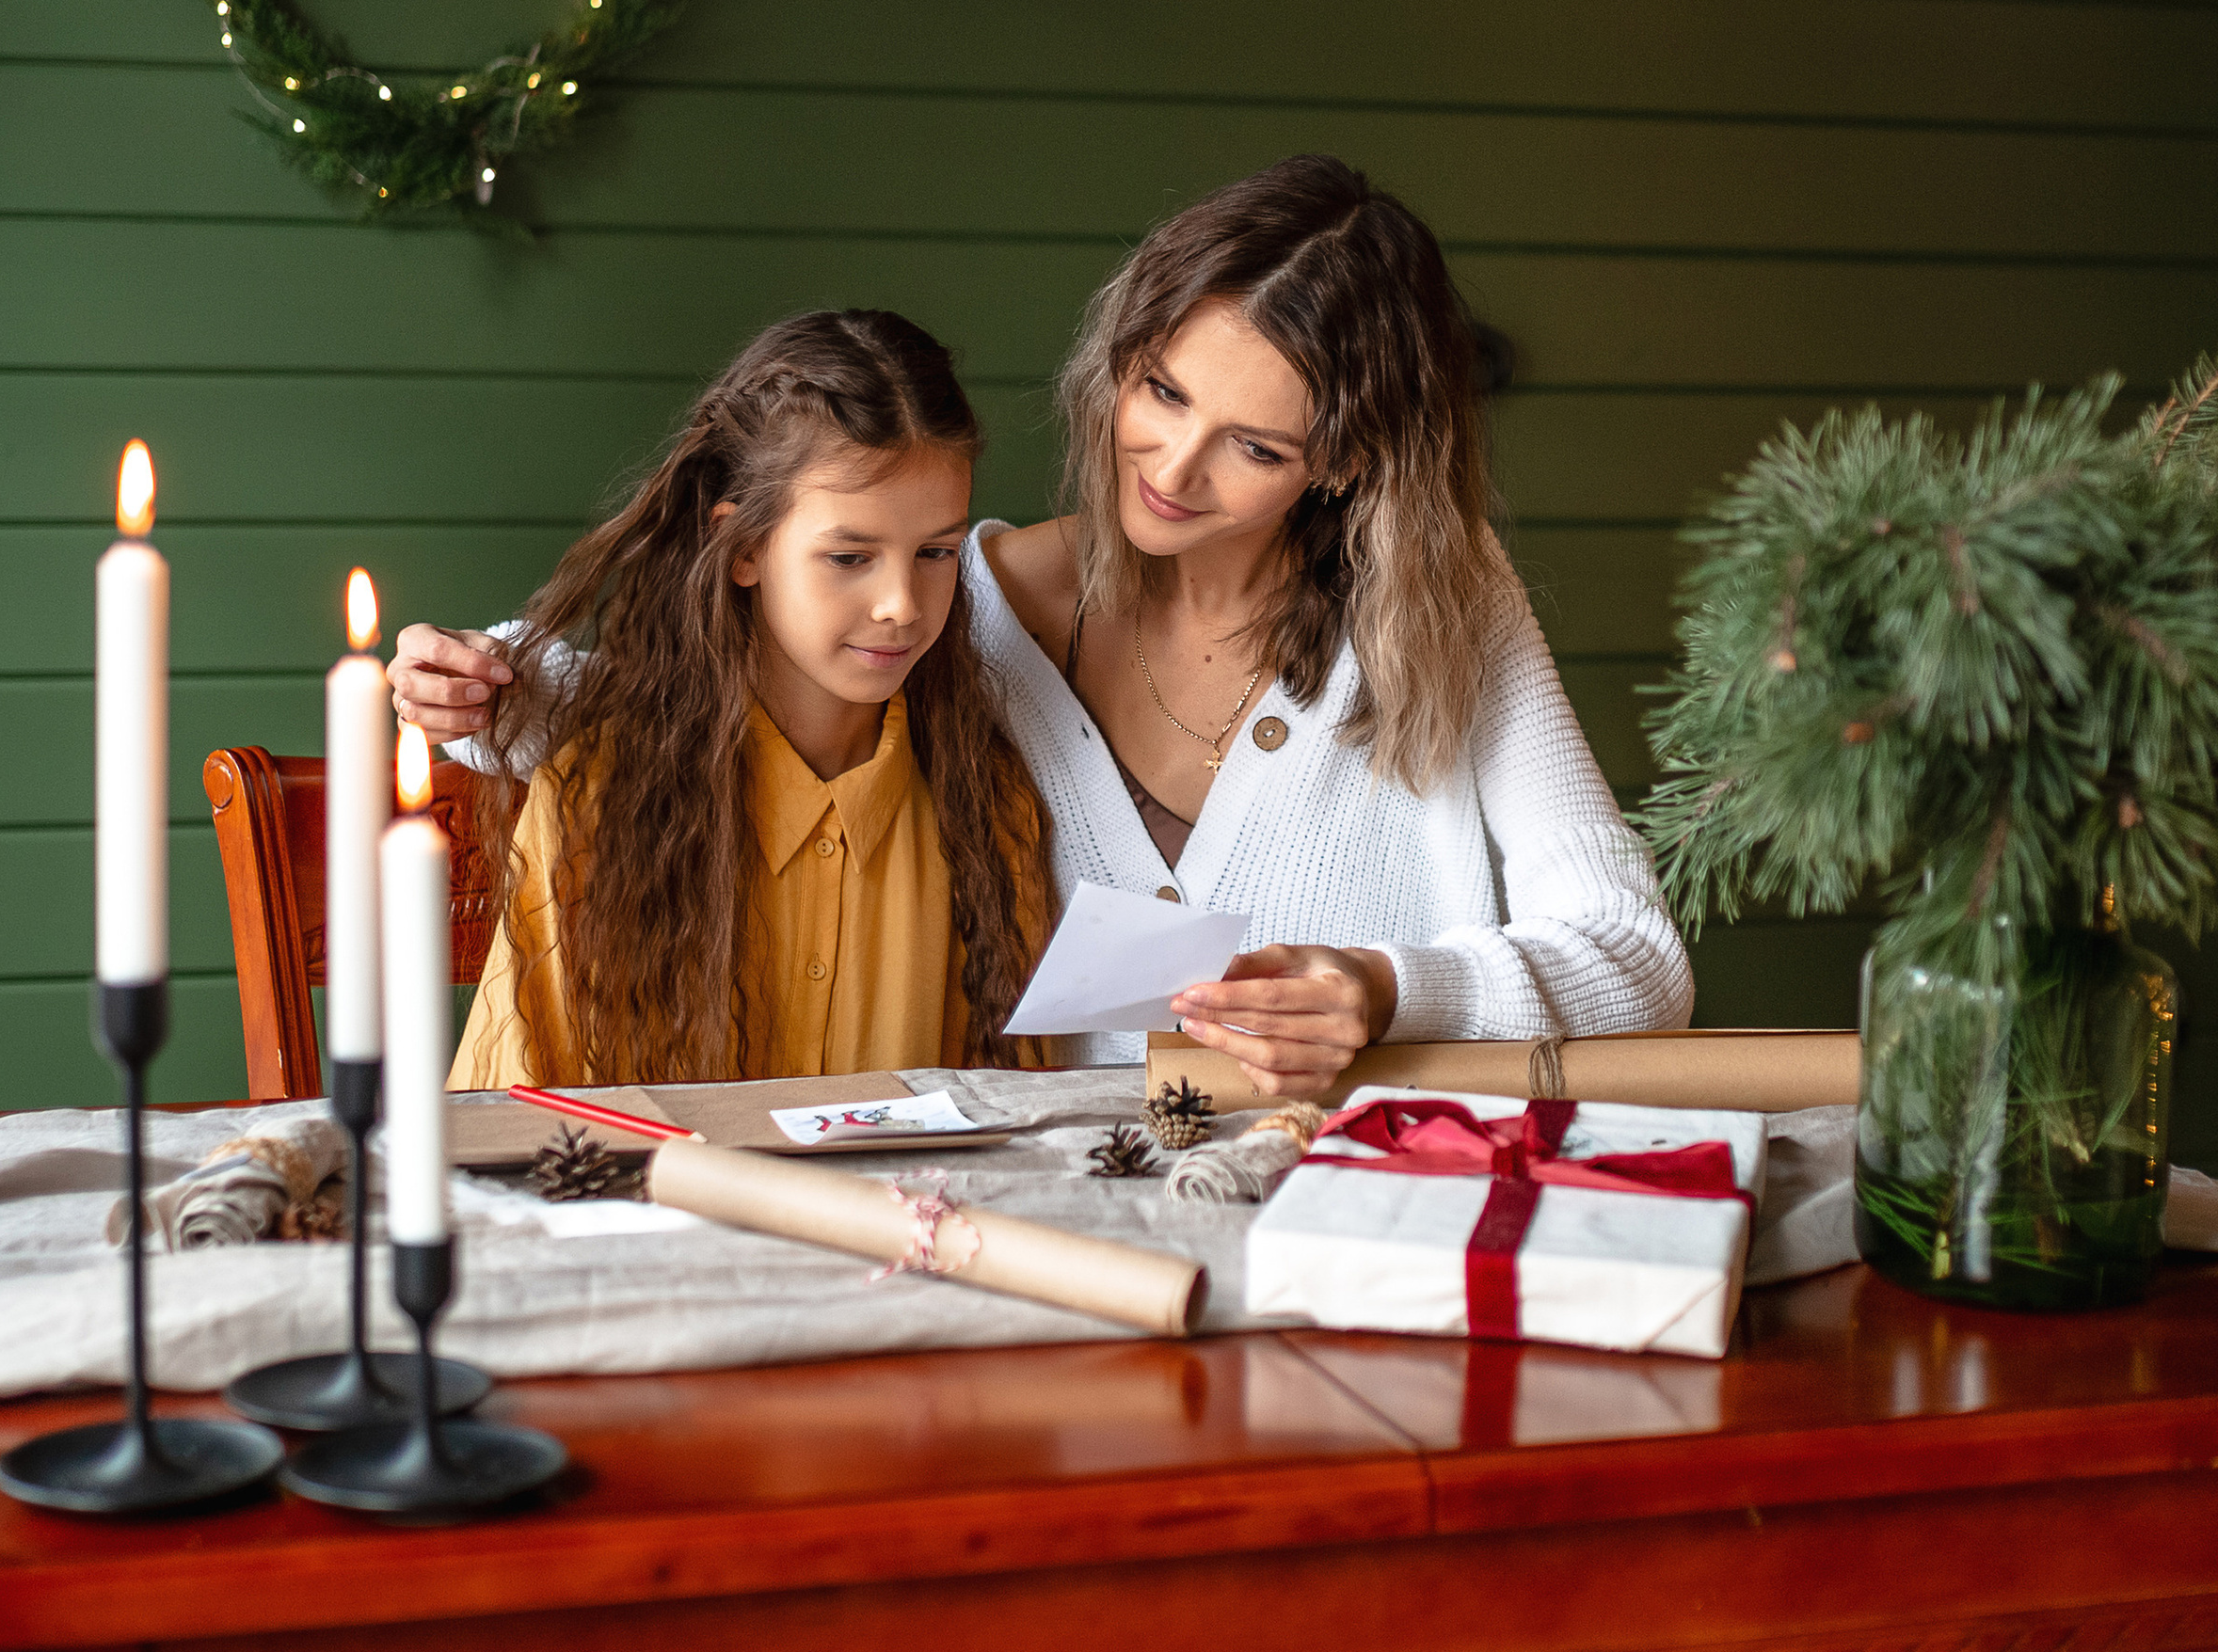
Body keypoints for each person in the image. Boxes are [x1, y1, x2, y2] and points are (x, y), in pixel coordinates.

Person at [401, 156, 1690, 1095]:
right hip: (1058, 1238)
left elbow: (1637, 962)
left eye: (1252, 444)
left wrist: (1386, 987)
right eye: (1161, 389)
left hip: (1373, 1217)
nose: (1173, 468)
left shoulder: (1448, 615)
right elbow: (700, 690)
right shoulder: (973, 607)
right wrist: (491, 682)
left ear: (1348, 459)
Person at [441, 308, 1048, 1090]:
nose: (902, 602)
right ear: (744, 548)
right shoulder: (599, 795)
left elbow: (1015, 1122)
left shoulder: (988, 808)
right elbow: (517, 1123)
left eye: (936, 552)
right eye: (849, 556)